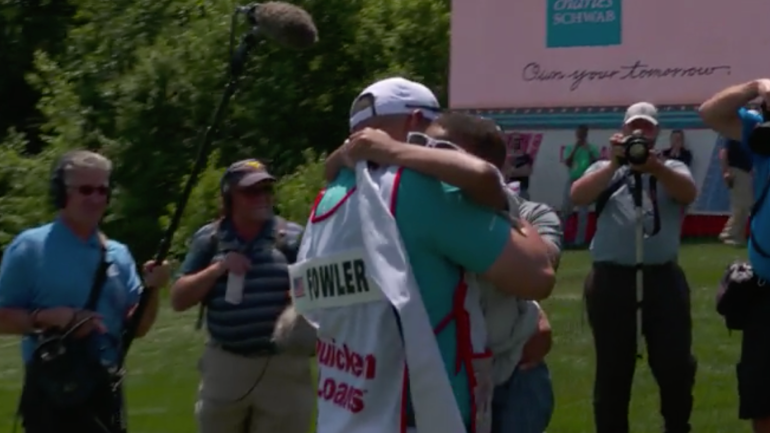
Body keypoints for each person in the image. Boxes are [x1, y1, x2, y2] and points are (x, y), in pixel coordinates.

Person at [301, 77, 555, 433]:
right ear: (416, 122)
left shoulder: (324, 202)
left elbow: (307, 304)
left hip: (344, 411)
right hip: (425, 414)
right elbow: (537, 275)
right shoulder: (415, 188)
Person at [0, 150, 171, 433]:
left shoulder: (119, 254)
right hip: (52, 395)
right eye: (86, 190)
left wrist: (153, 289)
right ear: (61, 194)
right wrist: (50, 318)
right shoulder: (29, 248)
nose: (96, 198)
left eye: (102, 190)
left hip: (106, 390)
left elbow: (137, 327)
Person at [570, 102, 698, 433]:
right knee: (613, 369)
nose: (640, 133)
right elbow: (579, 196)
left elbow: (687, 193)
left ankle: (677, 425)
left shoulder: (671, 168)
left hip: (662, 277)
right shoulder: (604, 166)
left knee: (675, 365)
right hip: (613, 279)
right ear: (624, 130)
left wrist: (656, 169)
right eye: (634, 127)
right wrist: (614, 163)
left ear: (657, 132)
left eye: (648, 127)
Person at [169, 159, 310, 433]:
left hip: (282, 368)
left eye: (267, 190)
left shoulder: (293, 236)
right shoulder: (209, 239)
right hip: (226, 366)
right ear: (229, 197)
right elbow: (178, 298)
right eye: (251, 192)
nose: (262, 198)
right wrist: (217, 269)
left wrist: (299, 295)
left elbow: (315, 291)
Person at [700, 78, 770, 433]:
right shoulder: (763, 140)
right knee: (763, 398)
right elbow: (710, 113)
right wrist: (755, 86)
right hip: (766, 293)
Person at [562, 124, 599, 247]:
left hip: (585, 180)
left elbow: (596, 163)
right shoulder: (570, 147)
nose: (581, 135)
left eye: (583, 133)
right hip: (573, 180)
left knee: (583, 213)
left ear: (586, 134)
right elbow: (567, 162)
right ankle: (561, 239)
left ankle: (580, 241)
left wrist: (588, 150)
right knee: (566, 211)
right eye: (579, 133)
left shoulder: (592, 148)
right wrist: (575, 149)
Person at [717, 137, 753, 246]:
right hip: (737, 171)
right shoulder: (734, 136)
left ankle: (738, 237)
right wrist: (726, 171)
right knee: (740, 206)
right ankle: (728, 234)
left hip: (745, 172)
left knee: (744, 206)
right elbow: (723, 153)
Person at [505, 132, 534, 200]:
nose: (517, 142)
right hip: (508, 190)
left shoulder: (525, 156)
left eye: (519, 140)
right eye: (515, 140)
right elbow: (505, 172)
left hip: (522, 190)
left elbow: (527, 171)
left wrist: (512, 171)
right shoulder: (504, 156)